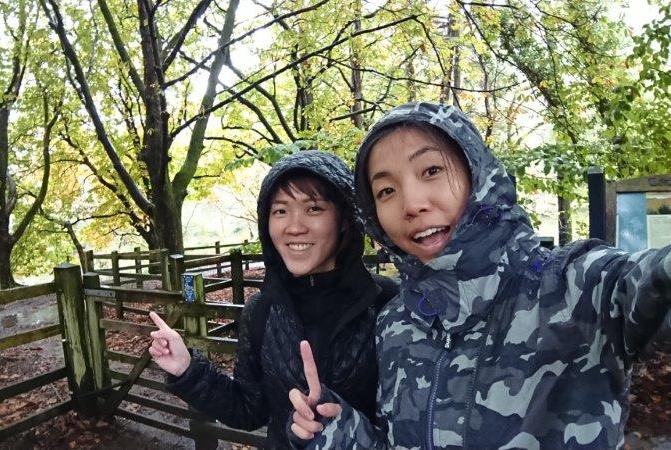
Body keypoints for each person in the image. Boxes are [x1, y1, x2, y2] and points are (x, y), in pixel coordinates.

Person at [288, 102, 671, 449]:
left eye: (432, 170)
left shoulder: (573, 287)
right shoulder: (396, 324)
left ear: (478, 173)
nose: (413, 204)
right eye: (386, 190)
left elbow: (647, 282)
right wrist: (337, 432)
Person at [148, 150, 398, 448]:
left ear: (344, 219)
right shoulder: (261, 309)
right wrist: (187, 370)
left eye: (314, 208)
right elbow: (248, 410)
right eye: (280, 211)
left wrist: (345, 428)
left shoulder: (388, 303)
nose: (294, 226)